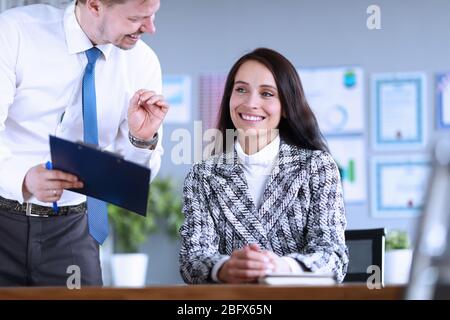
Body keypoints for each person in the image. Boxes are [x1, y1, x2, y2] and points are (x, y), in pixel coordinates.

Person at [0, 0, 168, 286]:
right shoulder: (15, 32)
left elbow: (134, 178)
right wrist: (23, 179)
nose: (150, 28)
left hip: (73, 231)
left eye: (153, 15)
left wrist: (141, 140)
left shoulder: (143, 62)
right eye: (137, 17)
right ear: (94, 5)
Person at [179, 48, 348, 284]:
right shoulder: (203, 175)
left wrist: (280, 266)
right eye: (241, 90)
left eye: (267, 93)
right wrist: (225, 268)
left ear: (286, 106)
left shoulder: (317, 166)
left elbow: (334, 257)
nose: (251, 103)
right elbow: (192, 259)